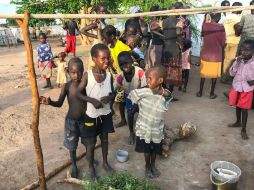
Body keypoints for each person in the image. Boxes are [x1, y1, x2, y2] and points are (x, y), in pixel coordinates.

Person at [39, 57, 85, 178]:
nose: (77, 75)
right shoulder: (66, 86)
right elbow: (59, 103)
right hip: (71, 121)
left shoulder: (85, 84)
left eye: (80, 72)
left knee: (87, 141)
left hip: (86, 120)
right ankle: (74, 164)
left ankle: (89, 158)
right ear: (68, 72)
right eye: (73, 72)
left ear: (83, 71)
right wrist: (50, 102)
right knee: (72, 145)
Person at [77, 43, 115, 180]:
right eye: (102, 59)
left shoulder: (109, 76)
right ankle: (91, 168)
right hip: (91, 116)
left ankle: (105, 162)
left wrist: (109, 97)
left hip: (105, 114)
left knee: (104, 140)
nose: (106, 61)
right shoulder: (88, 76)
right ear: (94, 59)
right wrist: (92, 100)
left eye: (108, 58)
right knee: (91, 143)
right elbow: (78, 93)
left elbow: (113, 94)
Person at [128, 65, 172, 178]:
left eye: (149, 78)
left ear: (160, 80)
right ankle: (147, 167)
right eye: (146, 78)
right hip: (145, 128)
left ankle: (153, 165)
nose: (147, 80)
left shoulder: (165, 94)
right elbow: (132, 95)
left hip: (157, 129)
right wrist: (136, 106)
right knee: (147, 150)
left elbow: (168, 96)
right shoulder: (143, 91)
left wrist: (162, 92)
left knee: (155, 150)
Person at [102, 25, 131, 128]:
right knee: (117, 98)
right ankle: (120, 117)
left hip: (124, 76)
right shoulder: (110, 47)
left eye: (105, 38)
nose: (104, 40)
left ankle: (125, 119)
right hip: (115, 75)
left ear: (113, 36)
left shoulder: (121, 46)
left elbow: (130, 56)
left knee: (122, 100)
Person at [114, 51, 146, 145]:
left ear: (132, 60)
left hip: (141, 96)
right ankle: (131, 132)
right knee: (130, 114)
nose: (125, 66)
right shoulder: (121, 76)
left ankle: (144, 132)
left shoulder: (140, 72)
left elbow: (145, 88)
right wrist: (108, 97)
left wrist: (137, 103)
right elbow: (113, 88)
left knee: (143, 114)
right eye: (121, 64)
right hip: (129, 97)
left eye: (126, 62)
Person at [228, 39, 254, 140]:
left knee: (244, 109)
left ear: (253, 51)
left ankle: (243, 129)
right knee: (237, 106)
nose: (245, 52)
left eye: (248, 50)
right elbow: (231, 74)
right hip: (237, 86)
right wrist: (236, 63)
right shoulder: (238, 61)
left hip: (247, 89)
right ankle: (238, 122)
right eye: (243, 50)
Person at [196, 13, 226, 99]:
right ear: (217, 17)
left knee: (203, 75)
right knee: (214, 76)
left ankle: (200, 92)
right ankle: (211, 93)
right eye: (219, 16)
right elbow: (223, 42)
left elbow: (202, 34)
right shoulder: (221, 27)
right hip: (216, 54)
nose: (220, 18)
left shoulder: (205, 25)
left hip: (206, 54)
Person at [162, 12, 183, 100]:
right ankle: (169, 95)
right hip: (174, 49)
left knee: (164, 72)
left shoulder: (163, 21)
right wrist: (181, 44)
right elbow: (178, 33)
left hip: (166, 48)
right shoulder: (178, 21)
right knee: (173, 73)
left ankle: (163, 93)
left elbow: (161, 33)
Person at [221, 2, 243, 83]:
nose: (242, 10)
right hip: (235, 41)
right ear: (238, 9)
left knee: (226, 59)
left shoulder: (227, 17)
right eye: (241, 8)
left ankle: (223, 76)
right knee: (232, 60)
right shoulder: (237, 18)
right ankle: (226, 78)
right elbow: (238, 30)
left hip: (227, 40)